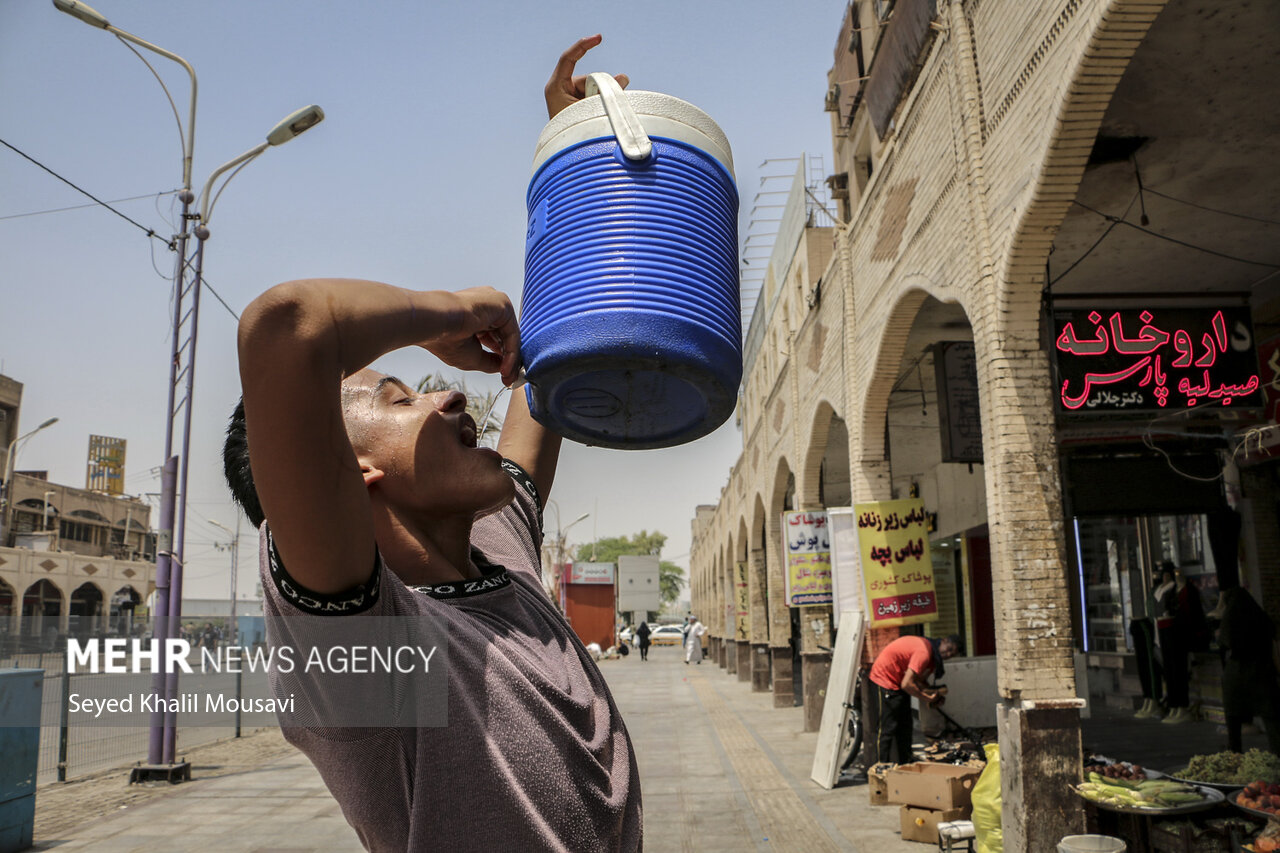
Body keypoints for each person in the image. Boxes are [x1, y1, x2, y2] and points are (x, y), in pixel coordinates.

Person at [221, 35, 641, 852]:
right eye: (396, 396)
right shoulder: (366, 651)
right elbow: (286, 327)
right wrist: (450, 310)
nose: (448, 392)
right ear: (354, 475)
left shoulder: (498, 547)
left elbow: (544, 359)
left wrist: (576, 158)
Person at [865, 634, 959, 766]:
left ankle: (906, 762)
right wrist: (926, 697)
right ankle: (880, 766)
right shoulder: (924, 652)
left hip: (898, 680)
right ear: (943, 640)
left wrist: (933, 695)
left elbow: (919, 681)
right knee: (887, 727)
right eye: (948, 648)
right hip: (884, 679)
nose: (947, 654)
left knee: (905, 725)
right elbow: (907, 684)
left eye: (951, 654)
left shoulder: (932, 657)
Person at [1217, 587, 1280, 755]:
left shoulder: (1230, 619)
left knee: (1234, 719)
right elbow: (1274, 647)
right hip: (1261, 673)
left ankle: (1235, 752)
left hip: (1236, 675)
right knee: (1271, 717)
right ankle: (1277, 752)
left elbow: (1224, 642)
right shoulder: (1261, 618)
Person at [1131, 578, 1164, 718]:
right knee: (1143, 665)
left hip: (1154, 628)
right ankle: (1149, 698)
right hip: (1142, 623)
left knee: (1149, 665)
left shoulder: (1163, 590)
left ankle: (1154, 699)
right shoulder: (1151, 591)